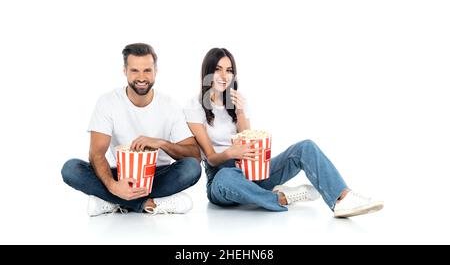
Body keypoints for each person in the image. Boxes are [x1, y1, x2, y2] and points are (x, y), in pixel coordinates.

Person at [183, 48, 384, 217]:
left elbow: (248, 140)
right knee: (227, 175)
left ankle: (342, 198)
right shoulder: (194, 106)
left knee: (305, 147)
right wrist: (230, 153)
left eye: (229, 70)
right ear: (207, 72)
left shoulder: (237, 100)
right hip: (221, 179)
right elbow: (210, 158)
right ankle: (281, 197)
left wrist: (241, 112)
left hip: (251, 170)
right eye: (217, 69)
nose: (224, 76)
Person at [61, 43, 202, 216]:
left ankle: (111, 201)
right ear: (125, 71)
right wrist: (113, 186)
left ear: (155, 72)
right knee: (71, 169)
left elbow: (195, 155)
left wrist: (161, 143)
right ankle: (149, 204)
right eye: (135, 70)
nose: (141, 77)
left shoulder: (170, 105)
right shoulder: (108, 102)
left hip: (157, 175)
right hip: (120, 176)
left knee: (192, 168)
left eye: (147, 70)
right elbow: (96, 154)